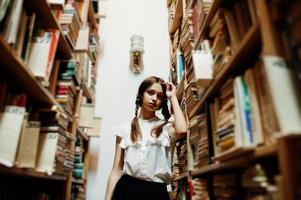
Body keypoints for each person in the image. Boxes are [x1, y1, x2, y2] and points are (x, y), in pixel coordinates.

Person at [105, 76, 187, 200]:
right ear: (141, 94)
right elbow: (116, 169)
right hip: (126, 190)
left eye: (160, 96)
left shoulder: (165, 126)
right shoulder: (124, 129)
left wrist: (172, 97)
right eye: (150, 93)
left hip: (156, 192)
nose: (154, 99)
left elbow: (182, 130)